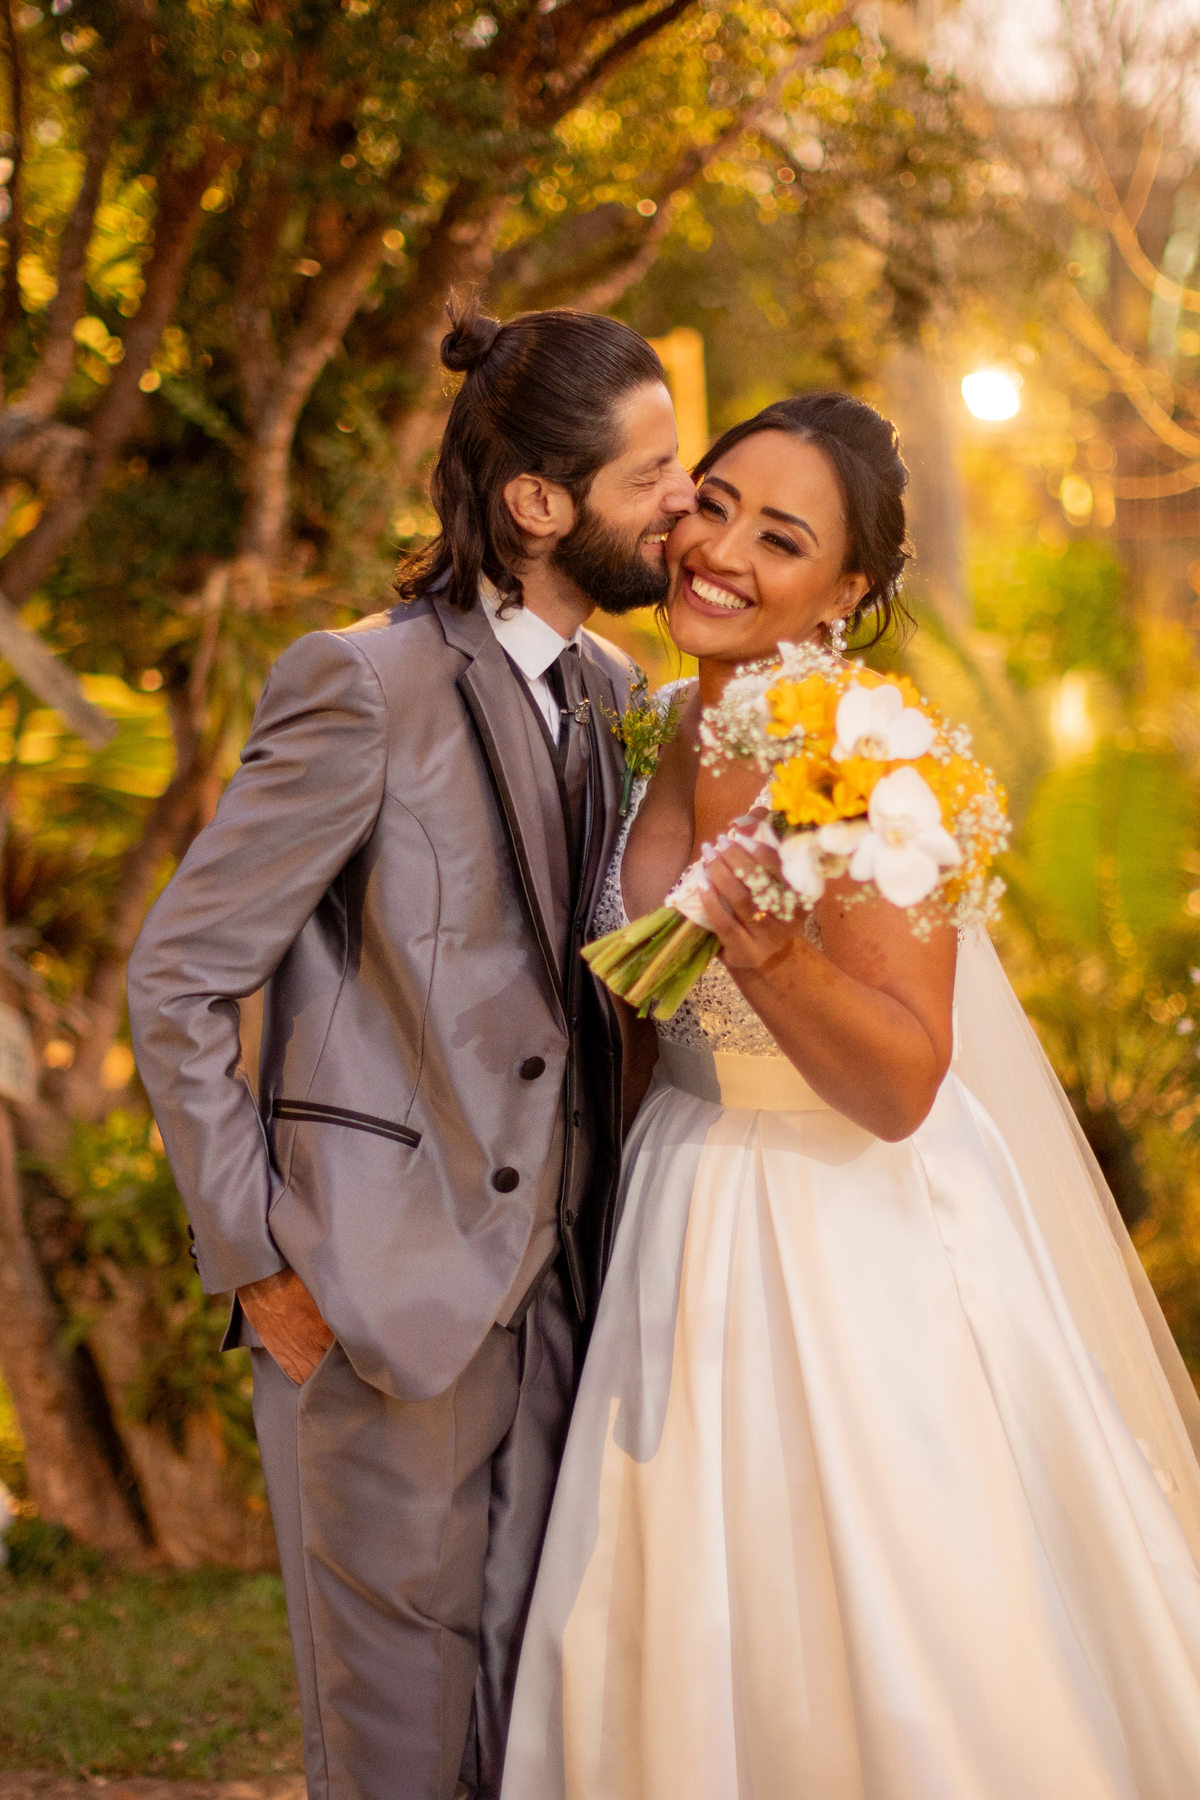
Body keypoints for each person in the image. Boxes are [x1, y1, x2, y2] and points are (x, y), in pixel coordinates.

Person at [501, 393, 1200, 1799]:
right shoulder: (655, 719)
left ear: (850, 590)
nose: (721, 553)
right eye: (713, 503)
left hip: (837, 1242)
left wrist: (757, 949)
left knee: (888, 1637)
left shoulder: (867, 758)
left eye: (783, 537)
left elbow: (901, 1082)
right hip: (678, 1210)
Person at [126, 296, 696, 1800]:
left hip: (571, 1297)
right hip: (376, 1300)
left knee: (532, 1731)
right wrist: (255, 1258)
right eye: (653, 475)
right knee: (388, 1752)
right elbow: (179, 977)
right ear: (536, 503)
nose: (682, 503)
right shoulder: (359, 685)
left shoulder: (618, 697)